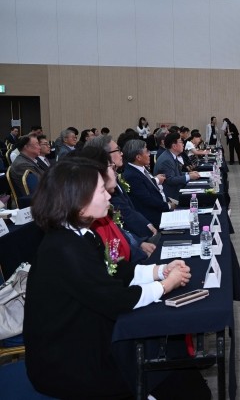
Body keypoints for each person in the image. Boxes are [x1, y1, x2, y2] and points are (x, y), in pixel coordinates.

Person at [24, 157, 192, 399]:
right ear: (78, 201)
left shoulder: (79, 234)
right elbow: (116, 299)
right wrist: (165, 286)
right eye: (101, 190)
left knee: (171, 373)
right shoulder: (64, 249)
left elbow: (117, 271)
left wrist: (159, 270)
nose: (109, 196)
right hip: (68, 361)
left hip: (90, 339)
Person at [154, 132, 201, 201]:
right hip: (171, 196)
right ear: (174, 146)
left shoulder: (171, 155)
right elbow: (171, 180)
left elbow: (176, 173)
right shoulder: (166, 160)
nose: (183, 144)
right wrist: (189, 177)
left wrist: (188, 174)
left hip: (176, 190)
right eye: (180, 142)